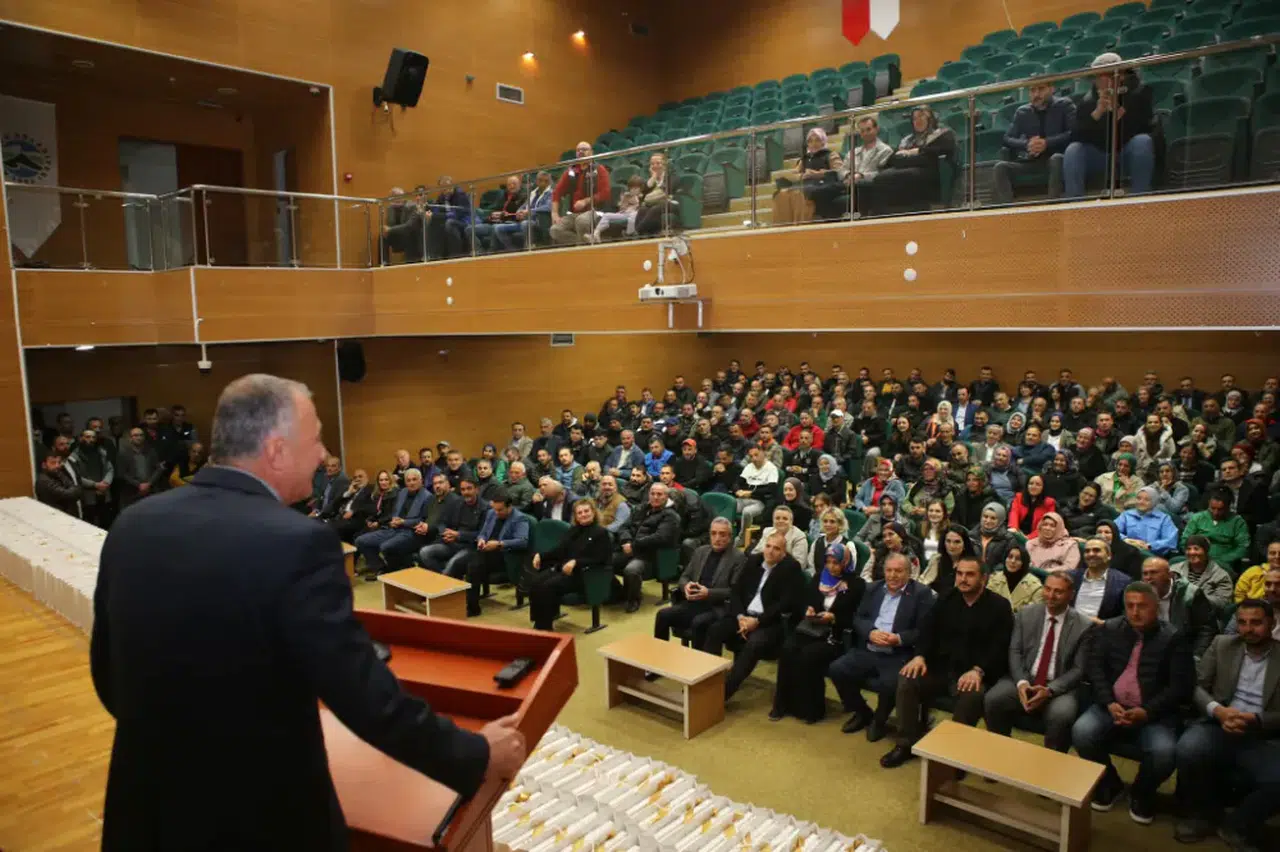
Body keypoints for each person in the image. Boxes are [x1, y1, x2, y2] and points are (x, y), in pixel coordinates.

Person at [89, 374, 524, 849]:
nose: (322, 455)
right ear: (276, 450)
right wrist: (475, 754)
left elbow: (110, 678)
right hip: (259, 818)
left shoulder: (133, 526)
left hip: (146, 810)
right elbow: (365, 697)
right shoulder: (297, 543)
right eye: (315, 439)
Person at [1071, 582, 1193, 824]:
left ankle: (1142, 792)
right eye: (1130, 606)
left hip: (1154, 714)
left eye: (1142, 606)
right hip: (1111, 706)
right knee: (1082, 732)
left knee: (1164, 753)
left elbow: (1180, 687)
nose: (1135, 612)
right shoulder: (1111, 629)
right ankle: (1109, 783)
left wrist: (1146, 712)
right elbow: (1096, 669)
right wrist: (1108, 702)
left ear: (1156, 608)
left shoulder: (1173, 638)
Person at [880, 557, 1014, 768]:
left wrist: (978, 671)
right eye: (960, 574)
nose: (963, 579)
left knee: (973, 695)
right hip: (942, 668)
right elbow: (927, 631)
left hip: (975, 672)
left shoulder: (999, 606)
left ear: (984, 579)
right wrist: (920, 656)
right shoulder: (946, 599)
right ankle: (906, 744)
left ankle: (952, 758)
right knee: (907, 678)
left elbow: (1000, 647)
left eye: (970, 575)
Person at [1174, 599, 1280, 848]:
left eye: (1256, 623)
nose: (1248, 629)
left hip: (1262, 733)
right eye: (1242, 622)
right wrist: (1218, 711)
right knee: (1188, 749)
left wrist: (1256, 719)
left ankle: (1238, 825)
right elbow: (1197, 686)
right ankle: (1205, 816)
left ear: (1272, 623)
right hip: (1219, 725)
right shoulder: (1223, 644)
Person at [830, 552, 936, 740]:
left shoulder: (921, 594)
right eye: (889, 570)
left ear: (909, 573)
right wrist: (870, 632)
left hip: (897, 653)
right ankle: (863, 712)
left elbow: (924, 630)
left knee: (890, 684)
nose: (893, 575)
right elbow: (858, 618)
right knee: (837, 670)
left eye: (898, 571)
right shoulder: (873, 589)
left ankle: (879, 719)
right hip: (868, 648)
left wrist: (899, 638)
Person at [984, 572, 1094, 752]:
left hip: (1059, 687)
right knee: (994, 699)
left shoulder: (1084, 626)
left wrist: (1050, 690)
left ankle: (1049, 767)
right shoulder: (1026, 614)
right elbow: (1015, 651)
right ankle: (999, 752)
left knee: (1062, 715)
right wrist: (1021, 682)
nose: (1051, 595)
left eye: (1058, 592)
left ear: (1070, 595)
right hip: (1025, 678)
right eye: (1048, 589)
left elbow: (1078, 669)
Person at [701, 531, 806, 701]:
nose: (770, 551)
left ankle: (721, 695)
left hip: (770, 623)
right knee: (715, 630)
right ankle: (707, 682)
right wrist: (741, 617)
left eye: (776, 549)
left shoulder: (791, 568)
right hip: (744, 616)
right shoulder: (754, 561)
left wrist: (757, 621)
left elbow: (784, 604)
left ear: (784, 553)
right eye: (768, 546)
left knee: (753, 644)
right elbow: (736, 591)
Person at [769, 542, 865, 723]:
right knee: (788, 649)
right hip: (812, 628)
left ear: (845, 562)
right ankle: (782, 705)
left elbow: (856, 618)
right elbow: (806, 600)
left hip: (836, 635)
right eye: (828, 562)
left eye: (835, 563)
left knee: (809, 656)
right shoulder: (820, 576)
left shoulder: (856, 585)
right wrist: (809, 609)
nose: (831, 567)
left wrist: (834, 618)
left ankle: (811, 709)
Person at [1063, 53, 1155, 198]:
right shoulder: (1086, 102)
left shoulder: (1140, 93)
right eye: (1098, 76)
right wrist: (1097, 113)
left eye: (1108, 75)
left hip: (1127, 150)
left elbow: (1145, 127)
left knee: (1142, 141)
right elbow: (1076, 136)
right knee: (1073, 150)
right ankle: (1075, 205)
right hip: (1100, 154)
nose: (1102, 80)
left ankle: (1140, 197)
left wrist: (1119, 111)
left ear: (1122, 75)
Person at [655, 518, 746, 648]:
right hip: (694, 602)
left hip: (717, 608)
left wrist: (708, 593)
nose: (717, 538)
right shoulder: (700, 552)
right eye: (713, 533)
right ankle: (659, 657)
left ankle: (699, 666)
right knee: (663, 615)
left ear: (730, 537)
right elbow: (684, 577)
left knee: (699, 623)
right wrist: (685, 586)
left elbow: (734, 592)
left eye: (722, 534)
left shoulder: (738, 558)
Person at [527, 499, 611, 631]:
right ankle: (540, 620)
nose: (583, 515)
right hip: (564, 570)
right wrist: (541, 556)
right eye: (580, 513)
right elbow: (560, 550)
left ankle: (544, 627)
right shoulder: (574, 530)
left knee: (547, 587)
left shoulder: (600, 533)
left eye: (586, 511)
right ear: (576, 516)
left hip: (584, 574)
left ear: (594, 512)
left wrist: (576, 562)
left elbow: (600, 558)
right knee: (535, 582)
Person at [859, 105, 957, 216]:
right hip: (908, 171)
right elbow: (895, 159)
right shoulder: (908, 140)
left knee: (885, 178)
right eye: (914, 119)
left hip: (930, 176)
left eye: (921, 117)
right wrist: (916, 155)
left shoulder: (943, 134)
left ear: (930, 119)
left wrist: (914, 153)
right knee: (873, 182)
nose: (917, 121)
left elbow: (933, 157)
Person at [993, 80, 1074, 203]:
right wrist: (1027, 144)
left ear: (1052, 89)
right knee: (1000, 167)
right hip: (1032, 160)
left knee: (1056, 159)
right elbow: (1007, 139)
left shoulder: (1064, 105)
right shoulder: (1022, 112)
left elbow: (1074, 133)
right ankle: (1008, 213)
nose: (1036, 94)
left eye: (1041, 89)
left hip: (1059, 157)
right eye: (1032, 90)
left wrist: (1046, 143)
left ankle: (1053, 208)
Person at [614, 481, 680, 612]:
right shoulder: (641, 509)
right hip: (631, 549)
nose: (655, 497)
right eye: (652, 494)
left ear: (666, 497)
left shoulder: (671, 516)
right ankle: (617, 593)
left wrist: (634, 545)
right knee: (605, 561)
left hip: (651, 556)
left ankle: (634, 600)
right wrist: (626, 541)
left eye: (659, 494)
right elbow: (624, 527)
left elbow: (659, 538)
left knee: (632, 570)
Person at [463, 489, 531, 617]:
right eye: (495, 509)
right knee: (461, 562)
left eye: (500, 510)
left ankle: (473, 608)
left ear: (509, 507)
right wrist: (481, 539)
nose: (496, 513)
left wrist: (499, 544)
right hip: (486, 550)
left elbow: (523, 541)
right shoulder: (491, 513)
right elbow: (483, 533)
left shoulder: (520, 518)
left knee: (474, 567)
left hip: (504, 555)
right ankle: (453, 600)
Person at [353, 468, 430, 574]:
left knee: (386, 546)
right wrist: (394, 519)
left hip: (411, 532)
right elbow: (394, 511)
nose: (411, 483)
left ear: (421, 481)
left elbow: (424, 520)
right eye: (408, 480)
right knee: (361, 541)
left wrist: (403, 522)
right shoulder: (402, 492)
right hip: (393, 528)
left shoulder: (427, 497)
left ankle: (398, 571)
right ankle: (381, 568)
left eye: (414, 479)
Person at [1142, 556, 1217, 661]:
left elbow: (1207, 629)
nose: (1148, 578)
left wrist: (1197, 656)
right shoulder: (1140, 595)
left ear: (1169, 574)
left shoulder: (1190, 594)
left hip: (1184, 653)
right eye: (1145, 574)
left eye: (1153, 573)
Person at [549, 141, 611, 245]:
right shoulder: (570, 171)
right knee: (555, 230)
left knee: (581, 221)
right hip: (574, 214)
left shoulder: (599, 169)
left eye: (584, 149)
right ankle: (584, 243)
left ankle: (584, 248)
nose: (581, 152)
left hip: (595, 211)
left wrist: (586, 201)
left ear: (591, 153)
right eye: (578, 150)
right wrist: (554, 213)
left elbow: (605, 193)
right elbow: (557, 192)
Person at [1181, 488, 1251, 572]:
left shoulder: (1237, 521)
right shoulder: (1198, 518)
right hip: (1195, 558)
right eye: (1212, 508)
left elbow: (1242, 547)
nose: (1215, 513)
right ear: (1208, 504)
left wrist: (1224, 559)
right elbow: (1185, 541)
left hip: (1223, 563)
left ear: (1228, 507)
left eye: (1220, 509)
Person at [1070, 538, 1131, 621]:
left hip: (1103, 630)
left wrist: (1104, 623)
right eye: (1087, 551)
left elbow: (1127, 615)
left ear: (1109, 555)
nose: (1091, 554)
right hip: (1071, 628)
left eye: (1096, 550)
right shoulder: (1071, 577)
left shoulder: (1123, 582)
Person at [1174, 534, 1235, 615]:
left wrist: (1198, 598)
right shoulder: (1175, 569)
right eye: (1188, 549)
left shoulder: (1221, 576)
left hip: (1205, 618)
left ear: (1206, 551)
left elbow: (1223, 602)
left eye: (1196, 549)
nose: (1192, 552)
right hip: (1176, 614)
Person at [988, 543, 1045, 613]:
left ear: (1023, 563)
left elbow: (1035, 613)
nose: (1012, 561)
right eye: (1010, 557)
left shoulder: (1035, 586)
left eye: (1018, 559)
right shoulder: (994, 579)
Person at [1007, 474, 1056, 539]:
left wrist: (1028, 537)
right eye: (1031, 483)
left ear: (1043, 487)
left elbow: (1045, 526)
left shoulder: (1049, 503)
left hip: (1037, 537)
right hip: (1017, 532)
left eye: (1038, 484)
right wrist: (1014, 529)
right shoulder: (1019, 497)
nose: (1033, 486)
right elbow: (1014, 513)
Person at [35, 450, 80, 515]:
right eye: (53, 463)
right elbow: (69, 495)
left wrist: (75, 489)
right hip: (55, 519)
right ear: (44, 465)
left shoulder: (58, 474)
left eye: (59, 462)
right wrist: (75, 489)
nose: (57, 466)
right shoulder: (44, 480)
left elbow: (76, 490)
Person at [1235, 539, 1280, 603]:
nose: (1277, 556)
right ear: (1267, 555)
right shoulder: (1253, 571)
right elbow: (1239, 594)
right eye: (1272, 553)